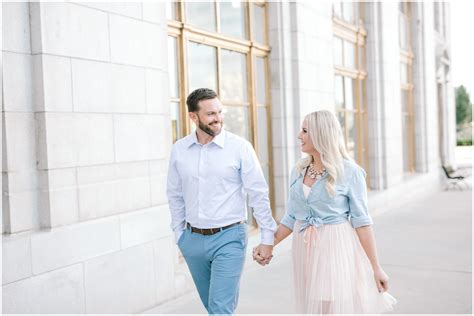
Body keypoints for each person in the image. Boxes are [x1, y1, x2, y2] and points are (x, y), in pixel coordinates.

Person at [253, 110, 397, 314]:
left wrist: (376, 267)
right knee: (313, 305)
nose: (298, 136)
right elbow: (292, 216)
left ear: (321, 135)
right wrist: (269, 245)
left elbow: (362, 222)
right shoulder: (299, 170)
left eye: (304, 131)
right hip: (305, 249)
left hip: (334, 246)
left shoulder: (350, 172)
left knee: (329, 304)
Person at [167, 88, 277, 314]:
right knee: (212, 306)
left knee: (220, 309)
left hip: (229, 237)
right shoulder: (179, 150)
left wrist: (267, 236)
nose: (218, 118)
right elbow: (175, 194)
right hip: (192, 239)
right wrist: (180, 234)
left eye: (219, 112)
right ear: (193, 117)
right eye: (210, 114)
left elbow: (258, 192)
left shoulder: (239, 148)